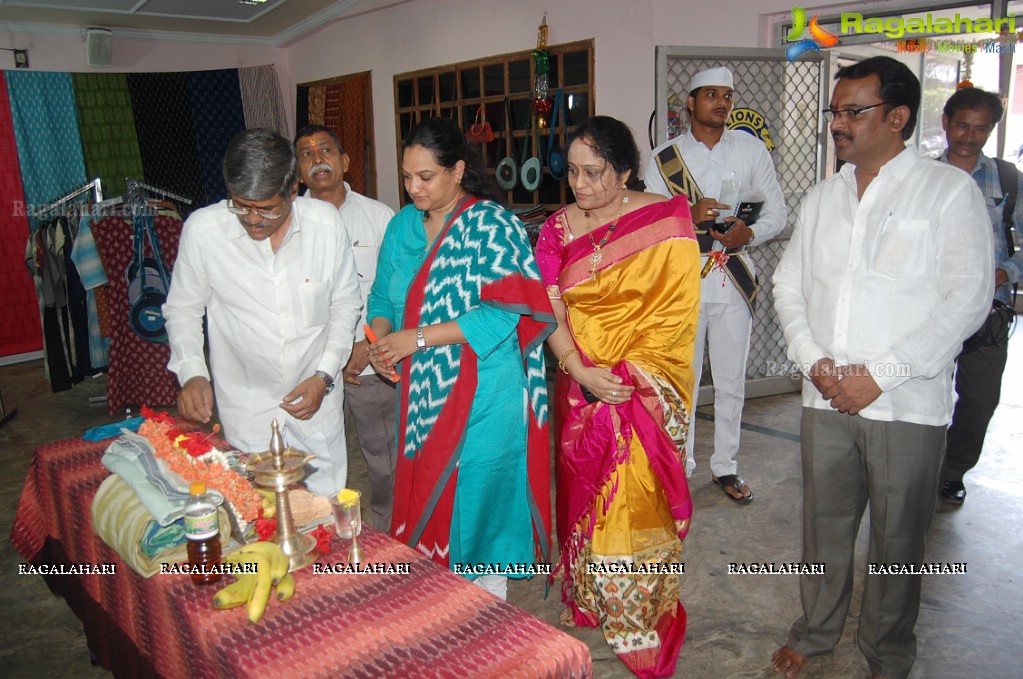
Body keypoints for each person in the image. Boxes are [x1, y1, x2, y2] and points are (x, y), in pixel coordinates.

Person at [771, 57, 992, 679]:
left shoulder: (947, 192)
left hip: (904, 403)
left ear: (897, 117)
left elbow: (968, 298)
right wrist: (814, 362)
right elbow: (788, 287)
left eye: (852, 111)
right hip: (826, 397)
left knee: (898, 545)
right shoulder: (821, 198)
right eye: (835, 112)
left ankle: (889, 655)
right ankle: (815, 633)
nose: (837, 123)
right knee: (824, 531)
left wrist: (882, 374)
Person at [365, 117, 555, 601]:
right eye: (407, 176)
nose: (413, 188)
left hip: (486, 388)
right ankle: (441, 609)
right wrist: (382, 341)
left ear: (458, 171)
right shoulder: (401, 225)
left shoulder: (491, 225)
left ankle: (485, 618)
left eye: (426, 177)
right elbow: (383, 300)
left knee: (477, 507)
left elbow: (502, 315)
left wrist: (417, 339)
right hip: (423, 391)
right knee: (434, 494)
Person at [536, 115, 699, 678]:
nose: (580, 185)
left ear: (625, 171)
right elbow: (548, 307)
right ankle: (592, 598)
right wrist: (578, 367)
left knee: (633, 503)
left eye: (594, 173)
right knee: (586, 497)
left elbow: (677, 317)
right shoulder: (557, 228)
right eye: (573, 173)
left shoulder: (667, 220)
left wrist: (630, 378)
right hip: (581, 387)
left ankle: (638, 614)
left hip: (641, 389)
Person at [164, 128, 363, 497]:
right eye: (241, 206)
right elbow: (182, 310)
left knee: (324, 508)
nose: (253, 219)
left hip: (315, 400)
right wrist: (192, 372)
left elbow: (345, 305)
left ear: (292, 191)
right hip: (246, 405)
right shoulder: (203, 232)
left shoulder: (325, 225)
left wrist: (324, 376)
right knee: (255, 512)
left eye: (266, 209)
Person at [644, 66, 786, 504]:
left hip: (734, 278)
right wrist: (689, 212)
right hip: (684, 282)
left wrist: (752, 234)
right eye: (710, 95)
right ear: (691, 102)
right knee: (682, 380)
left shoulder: (750, 150)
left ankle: (725, 465)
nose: (721, 102)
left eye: (727, 95)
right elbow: (648, 224)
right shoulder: (663, 159)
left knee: (731, 381)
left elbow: (777, 213)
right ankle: (680, 466)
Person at [295, 124, 398, 529]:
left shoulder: (379, 217)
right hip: (311, 364)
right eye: (306, 153)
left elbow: (394, 290)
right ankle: (317, 532)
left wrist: (369, 342)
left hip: (368, 360)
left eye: (325, 151)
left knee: (383, 454)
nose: (317, 158)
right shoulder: (289, 224)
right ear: (299, 169)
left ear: (345, 161)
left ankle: (391, 531)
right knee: (314, 457)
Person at [936, 87, 1022, 505]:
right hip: (930, 311)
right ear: (946, 123)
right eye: (962, 126)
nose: (969, 136)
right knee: (925, 391)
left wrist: (1005, 271)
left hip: (989, 313)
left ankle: (953, 470)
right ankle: (919, 467)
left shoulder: (1009, 180)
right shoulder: (922, 177)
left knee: (981, 398)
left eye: (980, 129)